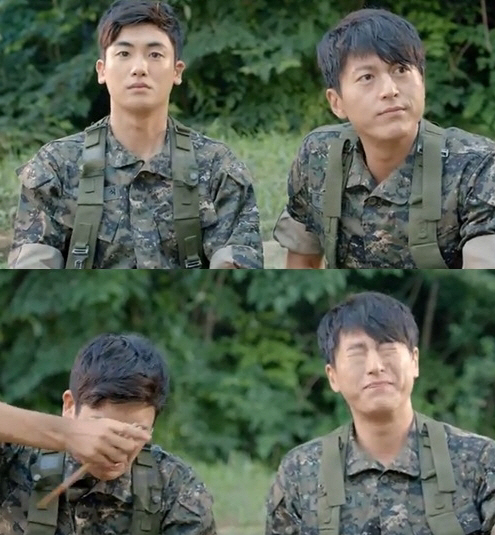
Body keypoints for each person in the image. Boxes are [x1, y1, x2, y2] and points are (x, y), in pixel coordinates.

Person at [8, 0, 263, 269]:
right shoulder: (57, 166)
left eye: (155, 54)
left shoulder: (216, 166)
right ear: (102, 70)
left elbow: (235, 265)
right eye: (124, 53)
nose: (139, 67)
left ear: (177, 71)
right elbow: (32, 268)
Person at [273, 8, 495, 269]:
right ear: (336, 102)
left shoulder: (477, 166)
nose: (390, 90)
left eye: (401, 69)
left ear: (422, 82)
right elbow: (303, 262)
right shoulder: (319, 155)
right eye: (367, 77)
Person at [265, 291, 495, 534]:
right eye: (357, 354)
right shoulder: (300, 472)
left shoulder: (480, 460)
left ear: (414, 361)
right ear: (333, 376)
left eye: (388, 349)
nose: (375, 367)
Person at [0, 333, 216, 534]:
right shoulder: (16, 460)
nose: (115, 446)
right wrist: (65, 434)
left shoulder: (174, 489)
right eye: (100, 428)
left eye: (135, 432)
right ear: (69, 406)